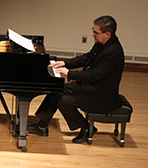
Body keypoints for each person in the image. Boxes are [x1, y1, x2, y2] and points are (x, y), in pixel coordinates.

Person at [27, 15, 124, 143]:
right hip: (90, 87)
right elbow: (86, 58)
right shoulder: (102, 44)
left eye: (96, 32)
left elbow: (94, 75)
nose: (92, 34)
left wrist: (69, 73)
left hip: (100, 94)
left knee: (64, 100)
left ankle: (86, 128)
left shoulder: (113, 52)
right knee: (56, 89)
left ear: (107, 34)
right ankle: (42, 126)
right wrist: (64, 63)